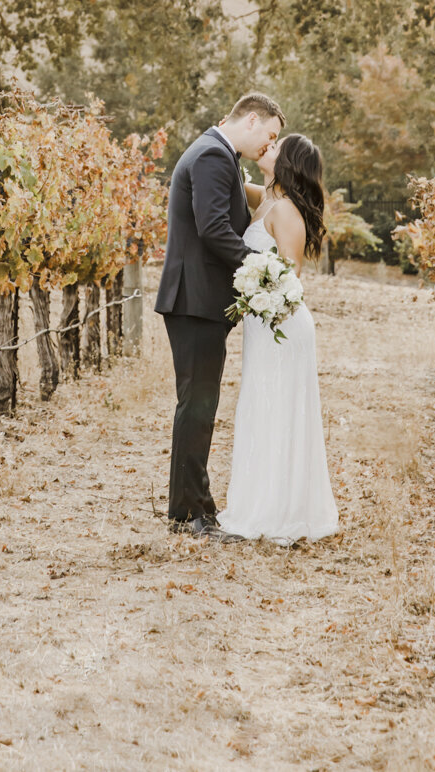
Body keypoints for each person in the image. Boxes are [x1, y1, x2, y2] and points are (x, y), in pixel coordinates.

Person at [155, 92, 284, 537]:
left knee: (198, 405)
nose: (267, 146)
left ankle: (187, 509)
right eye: (268, 136)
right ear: (251, 119)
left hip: (198, 300)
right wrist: (263, 269)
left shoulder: (217, 153)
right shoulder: (212, 154)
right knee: (197, 406)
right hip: (194, 301)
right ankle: (192, 514)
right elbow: (214, 230)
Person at [217, 133, 340, 543]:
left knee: (277, 410)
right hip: (262, 324)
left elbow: (291, 279)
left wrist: (253, 289)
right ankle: (259, 501)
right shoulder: (266, 197)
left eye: (274, 146)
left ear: (286, 162)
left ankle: (278, 512)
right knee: (259, 405)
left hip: (282, 325)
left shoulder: (286, 210)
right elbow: (231, 180)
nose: (265, 148)